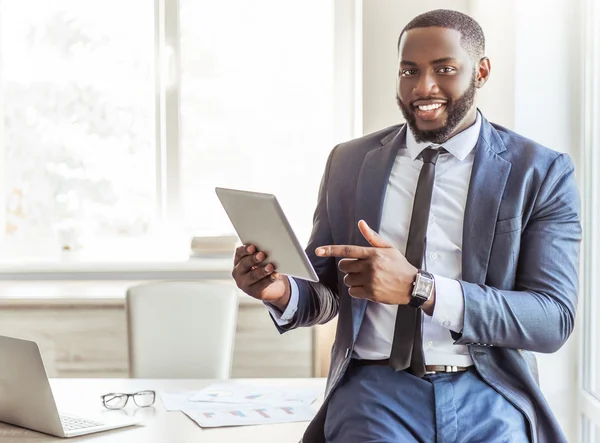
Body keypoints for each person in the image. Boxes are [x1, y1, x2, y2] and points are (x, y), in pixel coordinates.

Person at [231, 9, 581, 443]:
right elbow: (326, 293)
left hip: (489, 390)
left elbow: (552, 320)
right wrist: (279, 291)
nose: (423, 88)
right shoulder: (350, 163)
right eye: (409, 71)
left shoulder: (541, 172)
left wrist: (422, 289)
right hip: (375, 391)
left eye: (445, 69)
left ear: (482, 72)